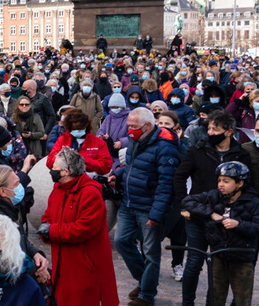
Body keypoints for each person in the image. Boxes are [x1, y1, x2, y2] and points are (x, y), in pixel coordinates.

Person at [173, 109, 253, 306]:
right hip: (198, 214)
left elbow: (246, 185)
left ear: (228, 131)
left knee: (217, 266)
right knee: (194, 262)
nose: (210, 132)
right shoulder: (198, 150)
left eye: (215, 128)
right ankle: (187, 303)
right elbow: (179, 176)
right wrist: (184, 203)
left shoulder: (241, 154)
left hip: (224, 218)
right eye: (208, 128)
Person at [110, 107, 180, 306]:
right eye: (128, 126)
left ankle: (146, 295)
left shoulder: (165, 147)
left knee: (150, 252)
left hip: (148, 207)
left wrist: (156, 213)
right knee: (122, 241)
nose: (129, 130)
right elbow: (132, 167)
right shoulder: (135, 140)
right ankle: (145, 280)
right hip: (129, 202)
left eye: (134, 127)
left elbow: (166, 184)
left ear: (148, 126)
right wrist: (118, 175)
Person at [38, 147, 118, 306]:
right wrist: (45, 229)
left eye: (54, 168)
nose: (51, 171)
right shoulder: (59, 189)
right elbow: (48, 215)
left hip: (84, 265)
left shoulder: (90, 193)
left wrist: (52, 231)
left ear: (66, 171)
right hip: (63, 261)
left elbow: (84, 228)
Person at [181, 161, 259, 306]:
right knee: (215, 298)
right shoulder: (215, 196)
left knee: (242, 299)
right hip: (218, 255)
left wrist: (239, 224)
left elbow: (256, 227)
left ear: (240, 183)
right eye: (219, 181)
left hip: (242, 258)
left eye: (226, 181)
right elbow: (188, 201)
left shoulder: (254, 201)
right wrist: (210, 213)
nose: (220, 185)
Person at [46, 109, 113, 176]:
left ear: (86, 127)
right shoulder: (62, 140)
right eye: (75, 129)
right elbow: (49, 163)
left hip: (89, 180)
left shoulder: (98, 143)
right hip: (66, 180)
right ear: (69, 128)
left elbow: (106, 167)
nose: (78, 131)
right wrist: (65, 159)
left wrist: (84, 160)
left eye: (81, 128)